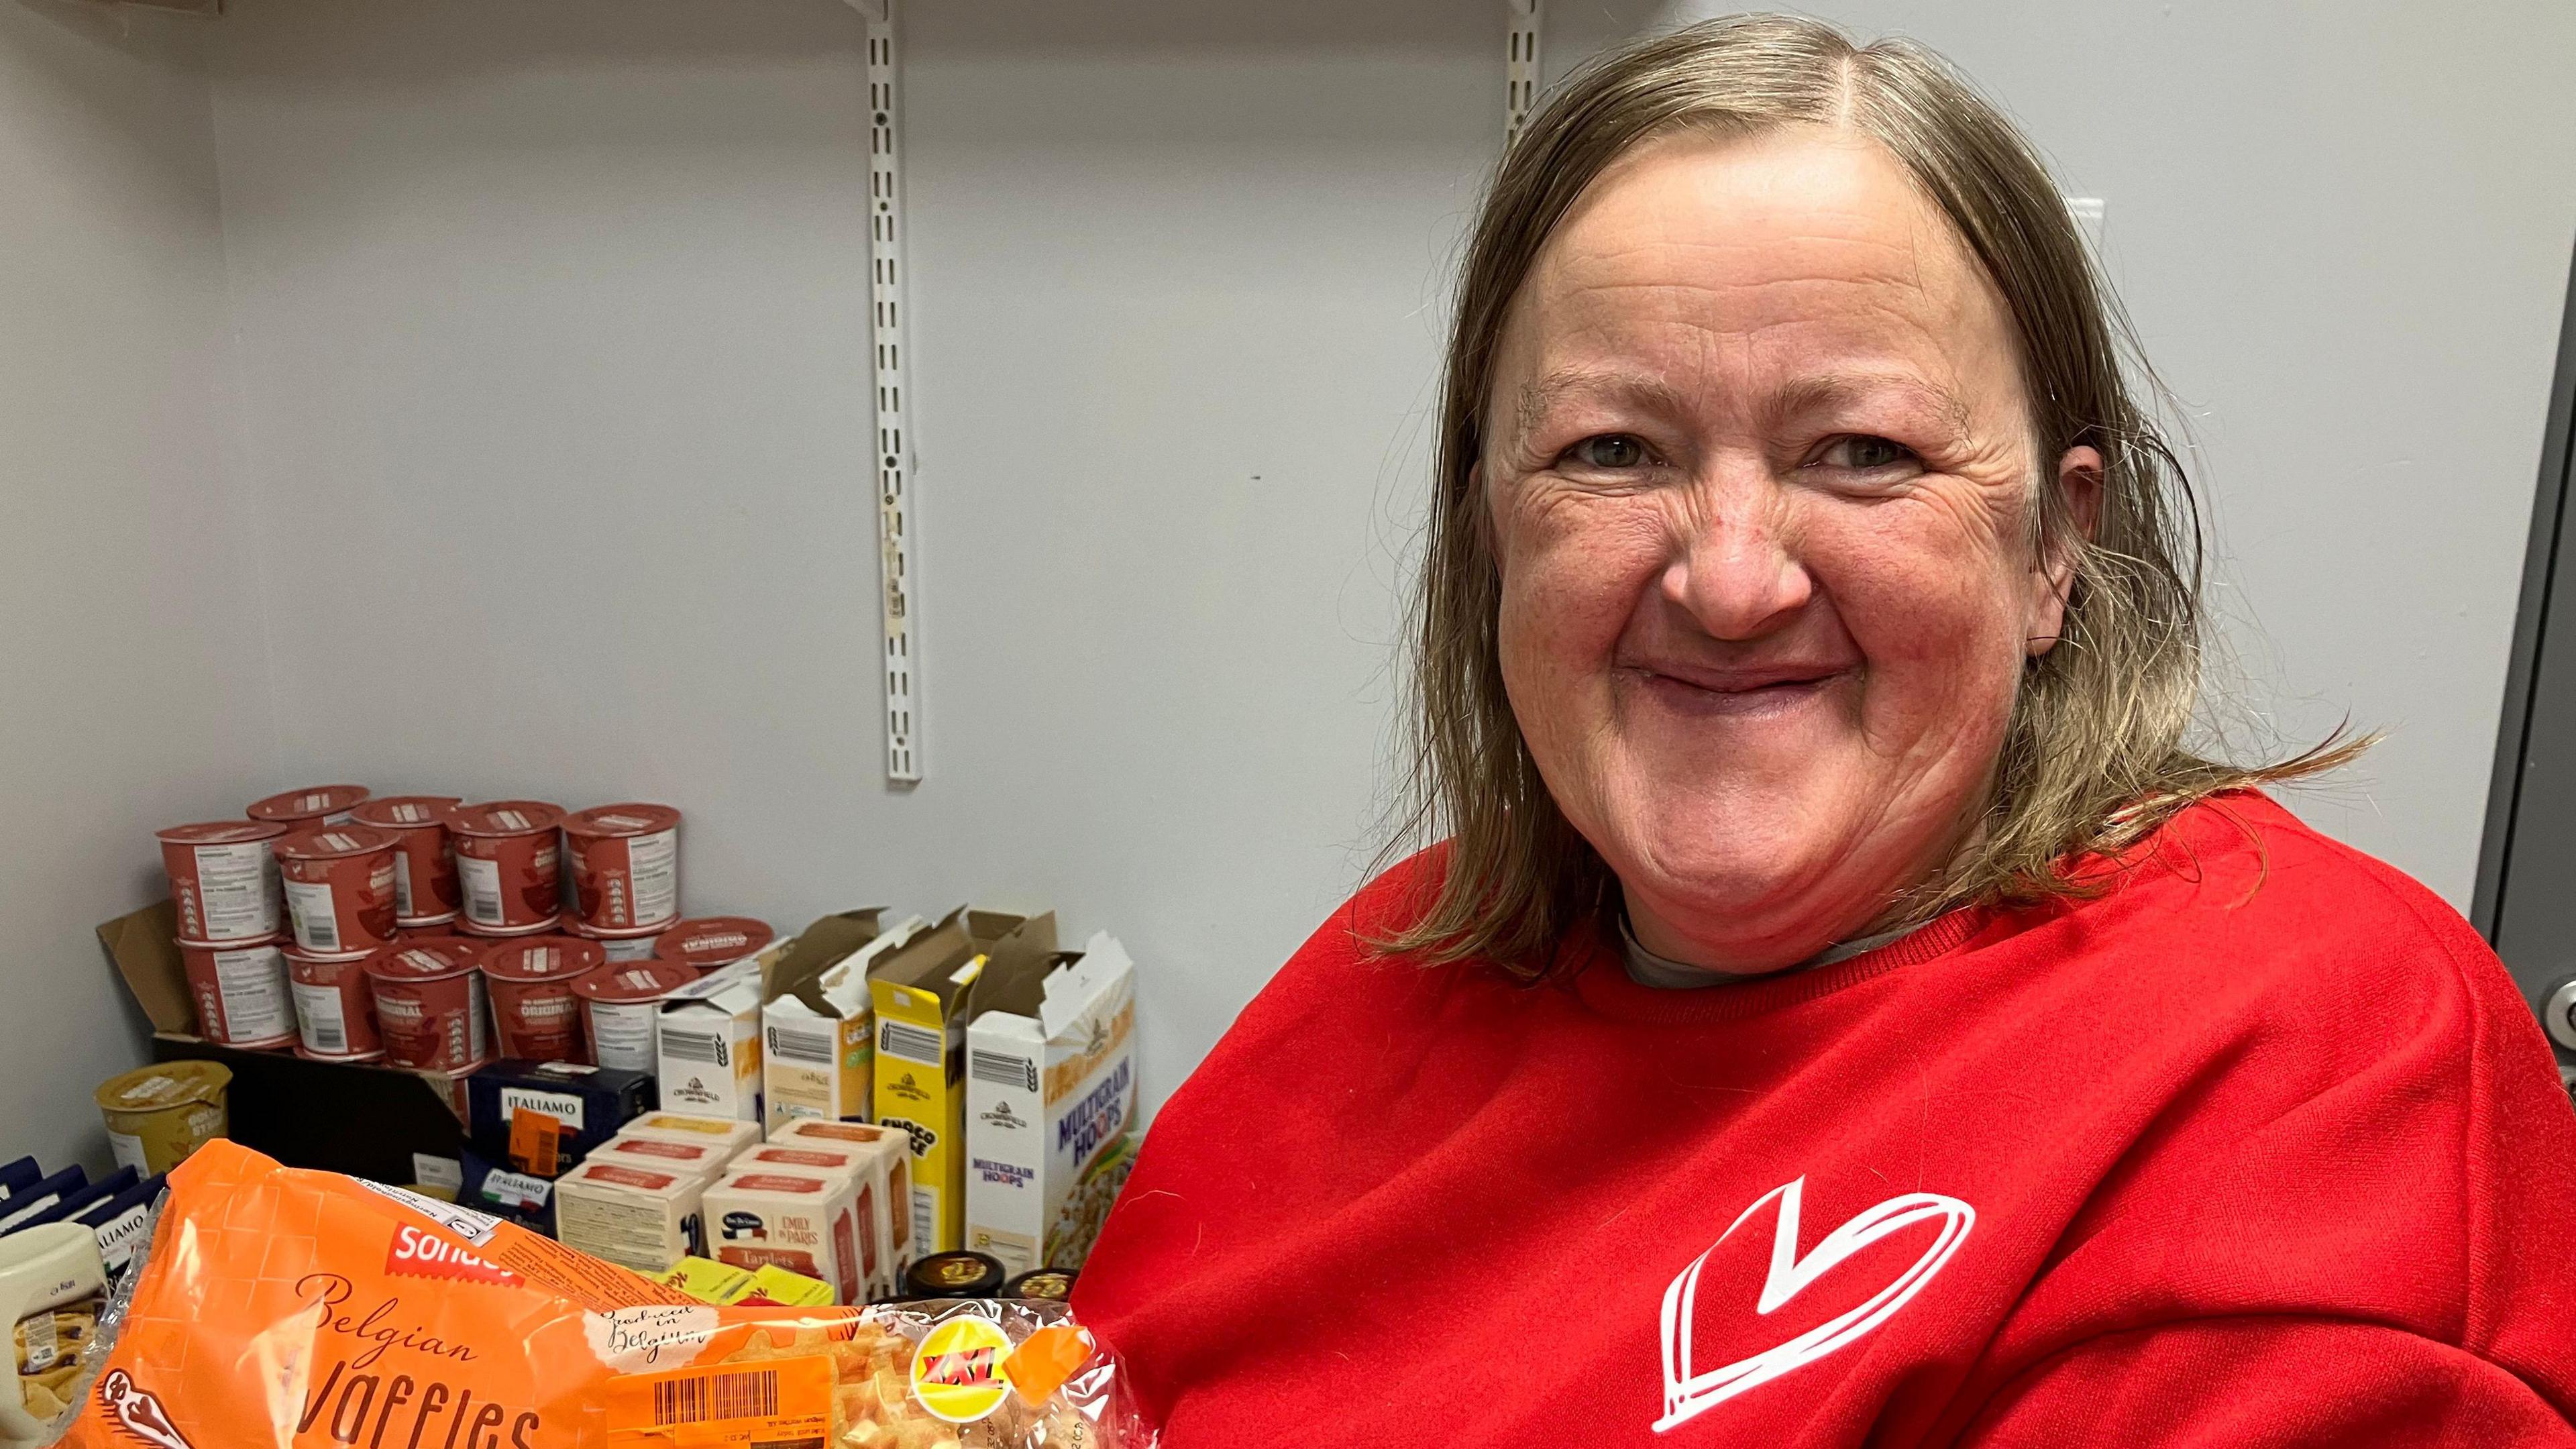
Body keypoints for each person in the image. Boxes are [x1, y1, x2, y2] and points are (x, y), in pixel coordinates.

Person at [1071, 14, 2576, 1447]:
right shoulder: (1405, 956)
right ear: (1491, 534)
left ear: (2054, 548)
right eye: (1612, 450)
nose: (1729, 579)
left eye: (1863, 452)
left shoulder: (2316, 1062)